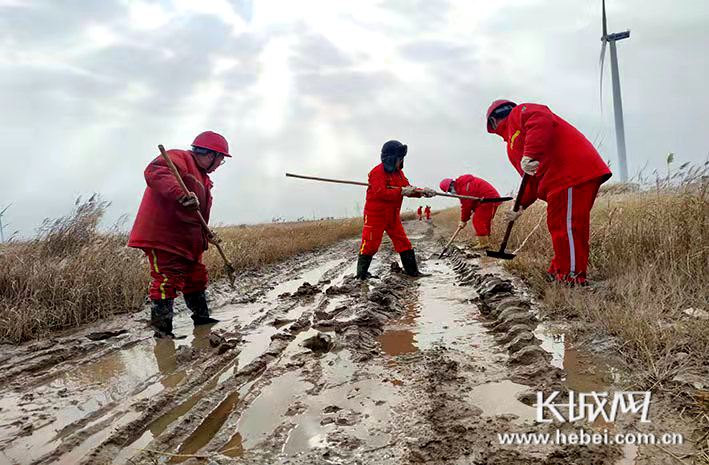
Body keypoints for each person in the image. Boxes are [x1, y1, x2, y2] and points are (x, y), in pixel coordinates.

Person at [486, 100, 611, 284]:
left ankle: (571, 277)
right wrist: (520, 206)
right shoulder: (511, 147)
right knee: (559, 225)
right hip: (556, 181)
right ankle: (560, 269)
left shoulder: (520, 113)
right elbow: (529, 180)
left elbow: (540, 116)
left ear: (494, 122)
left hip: (570, 172)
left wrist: (531, 153)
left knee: (567, 227)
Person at [128, 131, 230, 337]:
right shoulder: (180, 158)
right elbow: (156, 171)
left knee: (196, 278)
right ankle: (162, 333)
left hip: (188, 242)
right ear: (211, 155)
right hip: (165, 236)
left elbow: (197, 213)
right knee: (168, 279)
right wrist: (181, 195)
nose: (220, 165)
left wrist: (206, 234)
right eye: (221, 160)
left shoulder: (204, 179)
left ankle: (202, 321)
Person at [357, 140, 435, 279]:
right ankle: (361, 275)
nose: (401, 161)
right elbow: (380, 193)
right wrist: (400, 192)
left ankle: (413, 272)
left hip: (392, 216)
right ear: (391, 159)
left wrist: (423, 192)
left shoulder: (399, 174)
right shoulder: (376, 173)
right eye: (400, 158)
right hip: (375, 216)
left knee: (403, 243)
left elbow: (407, 188)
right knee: (370, 245)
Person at [439, 175, 501, 250]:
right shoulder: (462, 185)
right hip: (485, 200)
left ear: (452, 185)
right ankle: (484, 240)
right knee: (484, 222)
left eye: (449, 190)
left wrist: (463, 220)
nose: (450, 192)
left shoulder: (464, 188)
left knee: (478, 220)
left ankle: (484, 243)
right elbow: (469, 203)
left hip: (488, 200)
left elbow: (466, 206)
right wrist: (465, 217)